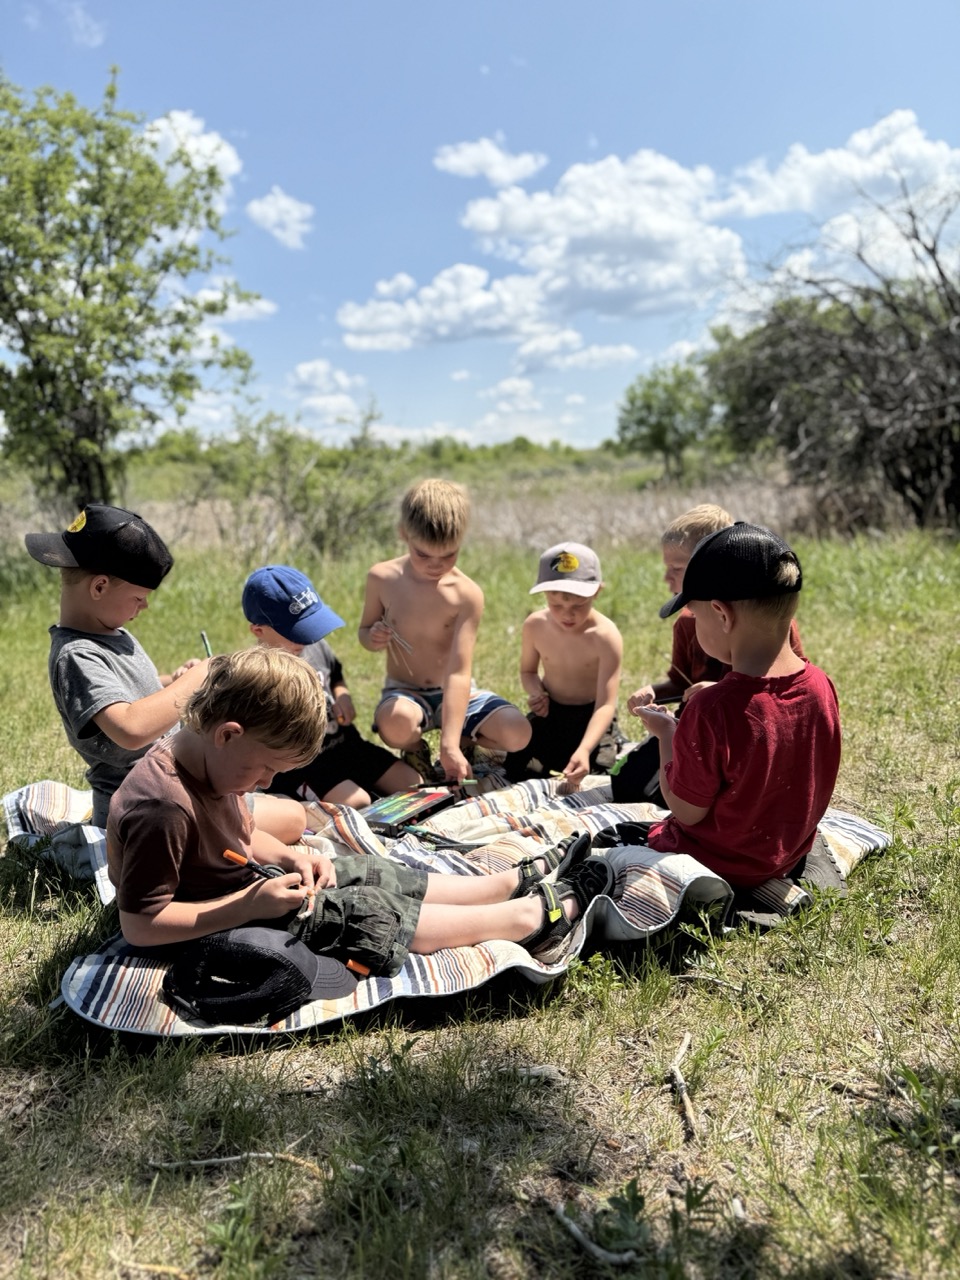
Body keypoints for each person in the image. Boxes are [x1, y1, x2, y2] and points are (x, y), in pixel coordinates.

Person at [106, 647, 614, 971]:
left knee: (363, 870)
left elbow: (230, 836)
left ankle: (501, 886)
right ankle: (527, 919)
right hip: (206, 924)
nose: (265, 785)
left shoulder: (217, 764)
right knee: (359, 912)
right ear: (228, 734)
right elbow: (141, 925)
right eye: (264, 770)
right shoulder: (163, 805)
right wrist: (248, 906)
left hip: (240, 890)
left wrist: (289, 856)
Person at [25, 504, 306, 844]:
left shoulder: (111, 632)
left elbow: (128, 694)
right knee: (292, 819)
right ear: (99, 587)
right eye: (138, 597)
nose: (144, 606)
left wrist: (173, 682)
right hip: (142, 805)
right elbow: (130, 728)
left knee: (289, 813)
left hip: (175, 784)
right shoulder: (76, 655)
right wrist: (195, 679)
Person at [632, 523, 841, 890]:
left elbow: (686, 811)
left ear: (722, 614)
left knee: (609, 849)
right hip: (785, 856)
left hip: (718, 866)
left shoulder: (712, 708)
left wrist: (667, 735)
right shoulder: (821, 685)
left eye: (694, 614)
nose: (693, 623)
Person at [615, 505, 806, 804]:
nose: (666, 578)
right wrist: (652, 693)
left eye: (677, 569)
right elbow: (681, 683)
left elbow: (789, 683)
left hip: (746, 733)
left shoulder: (771, 623)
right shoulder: (686, 623)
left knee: (703, 795)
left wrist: (720, 691)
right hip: (695, 730)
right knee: (628, 785)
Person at [358, 478, 531, 783]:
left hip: (458, 691)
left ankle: (465, 742)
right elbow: (364, 632)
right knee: (396, 724)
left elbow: (459, 672)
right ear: (403, 533)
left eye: (449, 555)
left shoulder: (466, 594)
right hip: (406, 691)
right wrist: (373, 637)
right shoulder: (382, 578)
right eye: (423, 554)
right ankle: (415, 750)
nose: (436, 565)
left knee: (518, 732)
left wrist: (449, 743)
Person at [242, 564, 420, 806]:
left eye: (310, 625)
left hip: (346, 745)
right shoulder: (259, 673)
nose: (307, 637)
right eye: (296, 631)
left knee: (414, 783)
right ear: (258, 630)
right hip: (303, 764)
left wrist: (342, 694)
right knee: (359, 803)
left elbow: (335, 675)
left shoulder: (313, 644)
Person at [503, 542, 623, 790]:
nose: (567, 615)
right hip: (551, 712)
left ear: (597, 592)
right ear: (545, 596)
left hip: (591, 715)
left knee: (598, 774)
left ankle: (604, 743)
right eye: (556, 605)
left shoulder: (605, 636)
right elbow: (528, 672)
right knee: (516, 767)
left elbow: (606, 704)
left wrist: (585, 749)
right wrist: (537, 693)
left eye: (578, 605)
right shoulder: (535, 625)